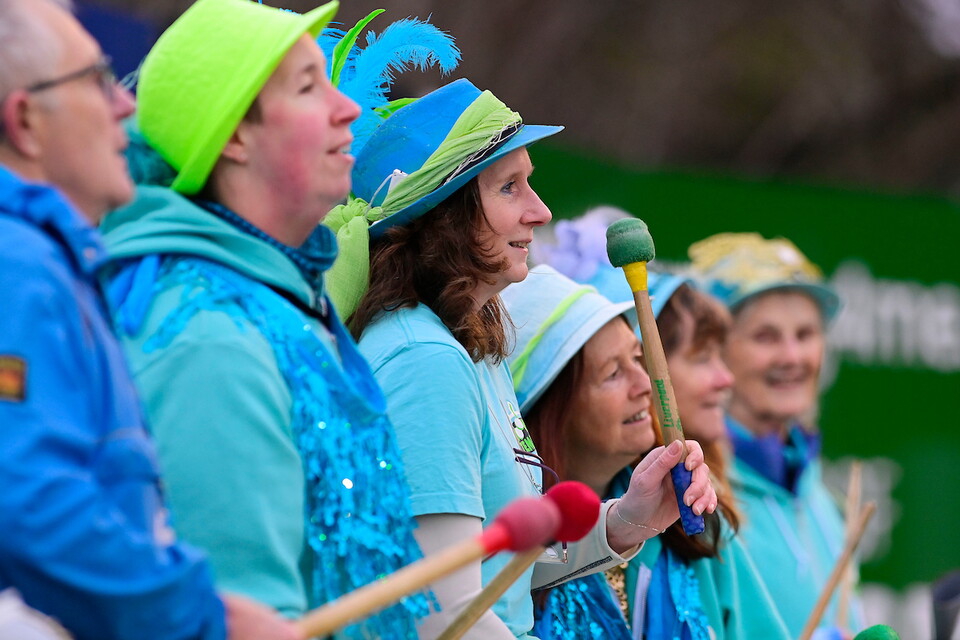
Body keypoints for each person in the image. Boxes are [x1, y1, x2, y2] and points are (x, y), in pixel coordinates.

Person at [324, 78, 718, 638]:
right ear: (445, 213)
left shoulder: (469, 347)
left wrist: (627, 521)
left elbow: (497, 575)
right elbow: (442, 612)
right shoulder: (424, 360)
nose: (540, 210)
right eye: (509, 188)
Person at [100, 0, 428, 636]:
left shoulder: (282, 302)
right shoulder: (207, 335)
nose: (348, 109)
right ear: (233, 135)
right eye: (309, 87)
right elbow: (235, 609)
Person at [0, 0, 297, 638]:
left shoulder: (40, 265)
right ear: (25, 121)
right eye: (95, 81)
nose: (126, 105)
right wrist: (201, 614)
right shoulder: (16, 267)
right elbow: (28, 502)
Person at [502, 260, 790, 640]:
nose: (644, 383)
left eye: (638, 359)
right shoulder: (510, 557)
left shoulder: (690, 518)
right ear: (555, 407)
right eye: (613, 373)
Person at [688, 231, 863, 636]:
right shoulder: (697, 497)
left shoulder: (823, 499)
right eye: (765, 336)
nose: (792, 357)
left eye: (805, 335)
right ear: (715, 352)